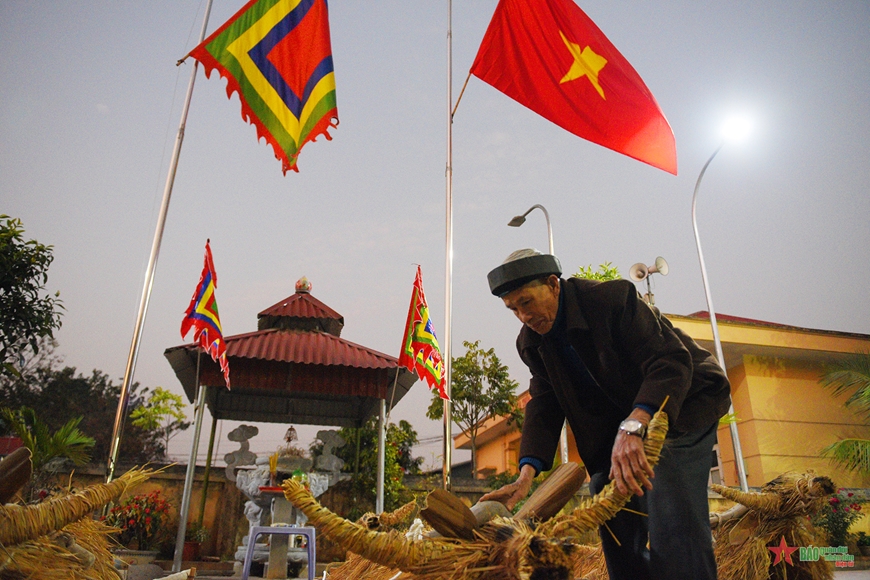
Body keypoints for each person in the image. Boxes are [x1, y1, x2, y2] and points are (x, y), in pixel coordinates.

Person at [480, 248, 731, 580]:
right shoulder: (531, 342)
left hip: (685, 401)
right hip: (623, 424)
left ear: (554, 285)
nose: (523, 315)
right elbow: (545, 402)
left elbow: (669, 362)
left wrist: (635, 424)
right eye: (513, 309)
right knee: (608, 503)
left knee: (667, 493)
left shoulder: (610, 299)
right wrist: (525, 476)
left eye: (527, 302)